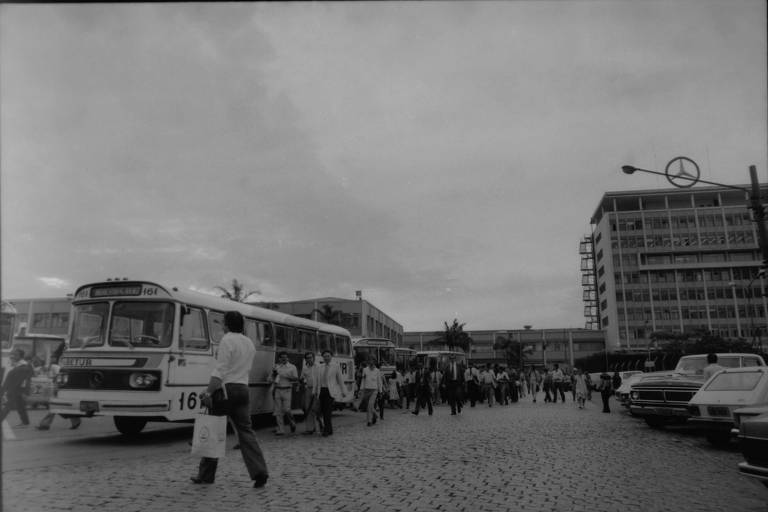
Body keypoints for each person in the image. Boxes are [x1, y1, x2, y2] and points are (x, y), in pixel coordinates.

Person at [191, 311, 269, 488]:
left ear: (227, 324)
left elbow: (220, 370)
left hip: (226, 390)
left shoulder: (226, 340)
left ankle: (206, 475)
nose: (222, 325)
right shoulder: (249, 342)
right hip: (243, 389)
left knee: (214, 429)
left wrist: (208, 392)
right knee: (246, 431)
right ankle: (260, 471)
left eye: (223, 322)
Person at [36, 358, 81, 431]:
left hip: (61, 392)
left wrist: (56, 390)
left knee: (55, 408)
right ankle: (76, 421)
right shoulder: (60, 369)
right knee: (61, 408)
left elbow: (59, 382)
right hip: (62, 392)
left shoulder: (59, 369)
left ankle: (44, 424)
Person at [316, 350, 349, 437]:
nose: (326, 358)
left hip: (330, 392)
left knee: (327, 411)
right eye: (325, 356)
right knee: (322, 411)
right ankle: (329, 429)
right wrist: (316, 391)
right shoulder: (320, 367)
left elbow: (340, 380)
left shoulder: (335, 366)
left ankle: (326, 430)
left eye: (328, 356)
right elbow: (317, 380)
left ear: (331, 357)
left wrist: (343, 391)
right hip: (321, 391)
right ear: (322, 357)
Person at [0, 348, 33, 428]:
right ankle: (25, 423)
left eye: (16, 355)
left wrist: (6, 391)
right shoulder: (17, 365)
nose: (13, 356)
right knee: (20, 406)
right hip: (17, 390)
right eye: (13, 354)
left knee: (7, 407)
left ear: (21, 356)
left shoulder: (23, 367)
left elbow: (19, 381)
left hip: (16, 390)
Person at [269, 351, 298, 435]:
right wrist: (273, 375)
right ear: (279, 358)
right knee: (278, 411)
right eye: (282, 357)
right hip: (277, 389)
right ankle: (281, 429)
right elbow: (270, 379)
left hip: (287, 389)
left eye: (285, 357)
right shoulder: (276, 367)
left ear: (288, 358)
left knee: (286, 409)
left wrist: (285, 375)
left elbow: (295, 378)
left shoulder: (292, 367)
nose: (284, 359)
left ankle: (292, 422)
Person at [300, 352, 323, 435]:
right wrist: (302, 381)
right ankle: (310, 429)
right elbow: (302, 378)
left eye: (310, 357)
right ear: (305, 359)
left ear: (314, 358)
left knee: (316, 408)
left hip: (318, 389)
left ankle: (321, 424)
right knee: (308, 408)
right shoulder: (305, 368)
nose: (309, 359)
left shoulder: (319, 367)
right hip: (309, 389)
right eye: (307, 358)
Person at [360, 359, 382, 427]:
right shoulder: (365, 370)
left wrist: (380, 391)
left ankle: (369, 421)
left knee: (370, 405)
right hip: (366, 390)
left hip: (374, 390)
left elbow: (379, 381)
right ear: (368, 362)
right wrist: (361, 389)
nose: (371, 363)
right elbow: (363, 380)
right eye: (370, 362)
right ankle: (376, 415)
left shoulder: (377, 371)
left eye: (372, 362)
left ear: (374, 363)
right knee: (369, 406)